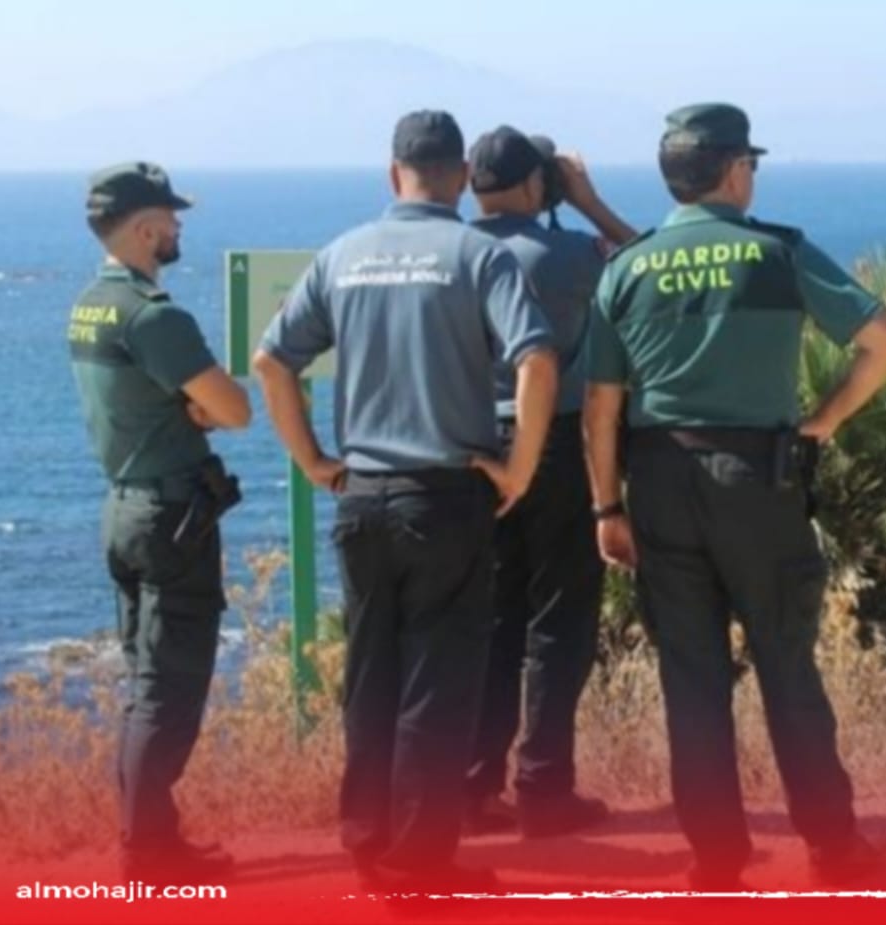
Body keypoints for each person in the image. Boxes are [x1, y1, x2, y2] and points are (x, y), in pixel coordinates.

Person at [582, 104, 886, 890]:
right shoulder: (776, 252)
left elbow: (600, 406)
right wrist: (826, 418)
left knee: (691, 681)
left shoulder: (627, 268)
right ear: (735, 171)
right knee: (786, 666)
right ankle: (834, 849)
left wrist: (607, 508)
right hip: (758, 480)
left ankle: (716, 862)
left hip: (660, 482)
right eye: (751, 164)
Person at [253, 111, 558, 892]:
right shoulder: (479, 255)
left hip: (362, 496)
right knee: (437, 684)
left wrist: (314, 460)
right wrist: (519, 470)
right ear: (461, 177)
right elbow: (536, 360)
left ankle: (368, 842)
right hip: (445, 496)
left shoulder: (341, 255)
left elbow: (271, 361)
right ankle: (421, 865)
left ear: (393, 174)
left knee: (371, 678)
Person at [68, 161, 251, 881]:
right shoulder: (155, 315)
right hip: (172, 518)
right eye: (171, 218)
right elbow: (235, 409)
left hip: (124, 508)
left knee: (146, 685)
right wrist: (199, 407)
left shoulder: (90, 304)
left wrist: (188, 406)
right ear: (145, 228)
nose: (178, 228)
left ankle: (153, 838)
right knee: (168, 694)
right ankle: (146, 854)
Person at [460, 126, 637, 838]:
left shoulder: (454, 252)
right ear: (538, 184)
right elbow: (643, 265)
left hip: (474, 450)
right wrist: (587, 201)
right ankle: (544, 784)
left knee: (492, 620)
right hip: (557, 446)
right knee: (559, 619)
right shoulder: (567, 255)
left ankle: (473, 787)